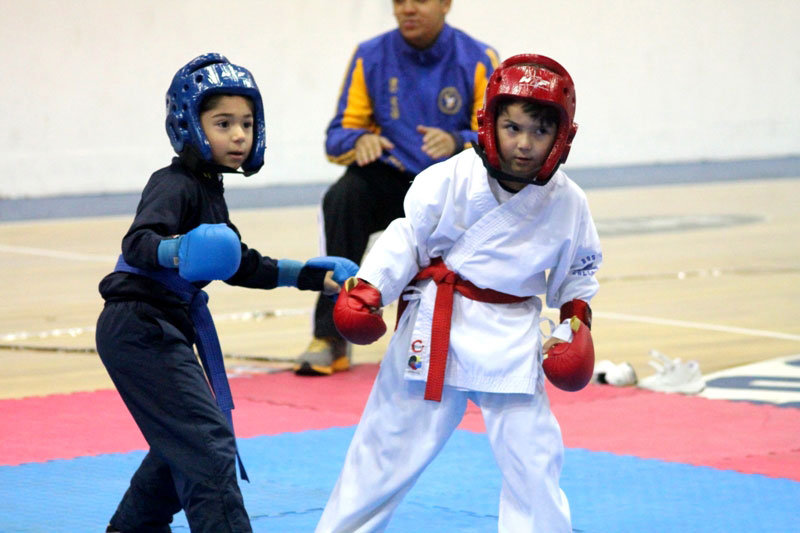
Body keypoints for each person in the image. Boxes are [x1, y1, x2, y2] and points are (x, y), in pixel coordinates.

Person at [317, 54, 602, 532]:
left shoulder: (569, 202)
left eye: (538, 132)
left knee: (534, 462)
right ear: (489, 123)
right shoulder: (450, 177)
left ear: (562, 137)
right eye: (513, 128)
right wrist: (371, 288)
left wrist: (578, 326)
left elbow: (577, 273)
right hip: (436, 329)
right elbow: (407, 237)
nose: (524, 144)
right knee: (383, 453)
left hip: (511, 336)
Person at [95, 53, 357, 533]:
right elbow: (138, 242)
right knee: (208, 445)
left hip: (161, 325)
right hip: (138, 326)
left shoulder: (208, 187)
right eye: (223, 123)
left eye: (246, 123)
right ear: (188, 124)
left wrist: (310, 275)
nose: (239, 135)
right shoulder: (172, 184)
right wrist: (179, 250)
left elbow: (239, 262)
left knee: (184, 443)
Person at [295, 0, 500, 376]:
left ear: (445, 4)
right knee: (342, 198)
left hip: (448, 186)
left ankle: (478, 336)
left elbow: (496, 136)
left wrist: (457, 140)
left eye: (419, 0)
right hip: (390, 180)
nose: (407, 9)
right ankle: (331, 336)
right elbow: (337, 136)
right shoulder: (368, 55)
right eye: (399, 1)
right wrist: (359, 142)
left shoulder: (479, 58)